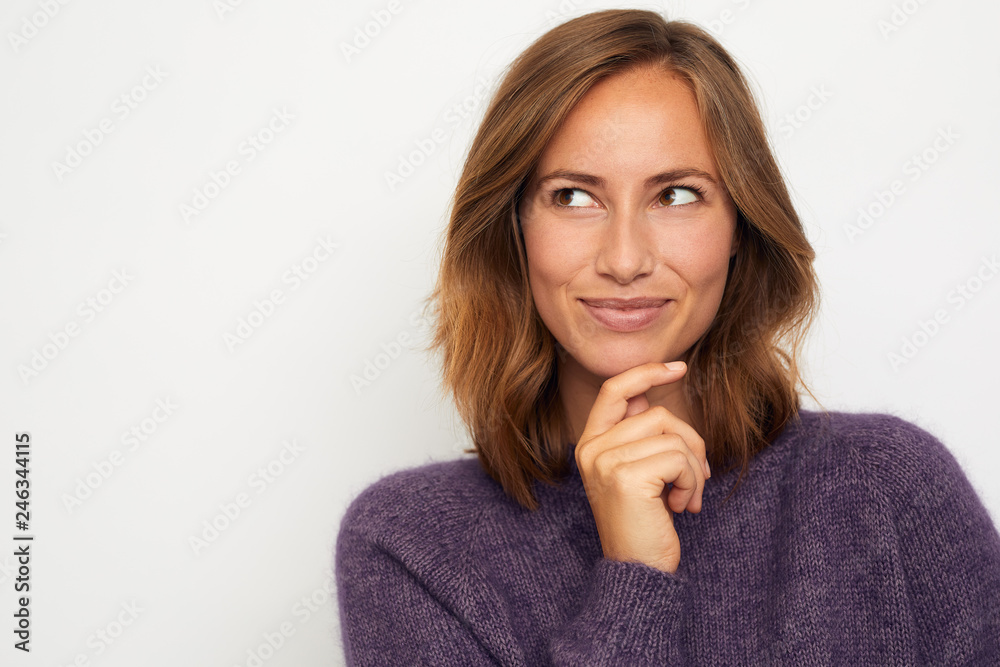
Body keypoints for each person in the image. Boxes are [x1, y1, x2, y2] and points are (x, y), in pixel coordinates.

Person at [334, 8, 1000, 665]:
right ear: (513, 229)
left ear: (741, 224)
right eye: (572, 196)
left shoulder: (889, 487)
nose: (625, 260)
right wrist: (635, 579)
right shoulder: (412, 545)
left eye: (677, 195)